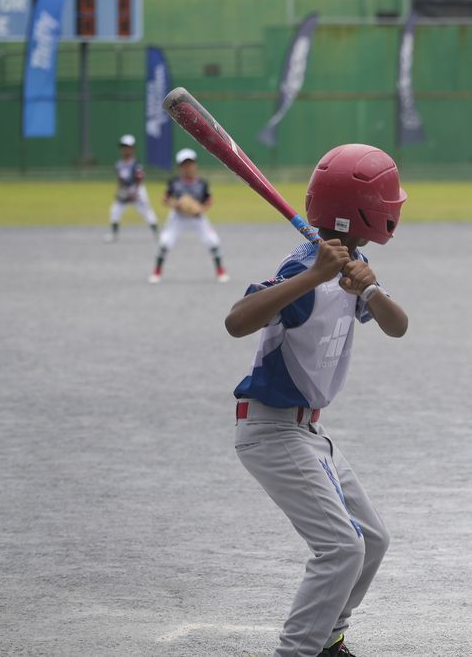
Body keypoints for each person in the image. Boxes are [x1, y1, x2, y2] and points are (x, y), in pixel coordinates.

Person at [226, 143, 409, 657]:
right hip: (271, 431)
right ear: (366, 210)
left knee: (371, 540)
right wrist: (312, 277)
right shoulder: (304, 270)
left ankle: (330, 639)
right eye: (387, 200)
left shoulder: (354, 265)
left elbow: (398, 327)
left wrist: (371, 290)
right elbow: (237, 321)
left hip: (309, 433)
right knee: (340, 548)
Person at [149, 148, 228, 284]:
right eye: (184, 164)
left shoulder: (202, 183)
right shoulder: (174, 182)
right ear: (180, 167)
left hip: (196, 218)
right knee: (165, 242)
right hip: (178, 217)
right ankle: (157, 272)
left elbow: (209, 200)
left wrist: (200, 209)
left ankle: (220, 271)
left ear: (195, 165)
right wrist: (175, 204)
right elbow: (165, 198)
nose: (188, 167)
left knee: (213, 241)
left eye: (190, 163)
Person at [106, 134, 159, 242]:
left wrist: (135, 192)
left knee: (147, 212)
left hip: (137, 190)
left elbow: (140, 178)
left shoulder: (136, 164)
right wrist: (118, 190)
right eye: (123, 147)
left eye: (128, 147)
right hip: (124, 191)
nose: (125, 149)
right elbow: (119, 179)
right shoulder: (119, 164)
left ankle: (156, 234)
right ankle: (114, 234)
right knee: (115, 210)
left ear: (133, 149)